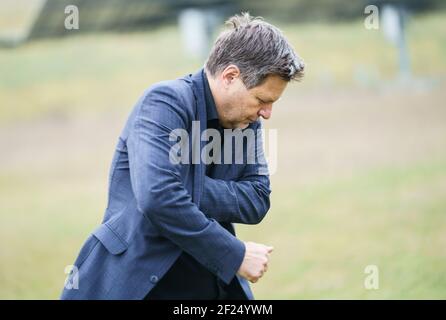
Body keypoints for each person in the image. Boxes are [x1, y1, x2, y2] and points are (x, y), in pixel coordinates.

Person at [61, 12, 304, 300]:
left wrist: (181, 185)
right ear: (230, 77)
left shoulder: (247, 120)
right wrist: (234, 254)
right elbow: (157, 197)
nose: (266, 113)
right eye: (262, 100)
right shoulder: (164, 102)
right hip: (134, 281)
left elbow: (257, 199)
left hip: (208, 284)